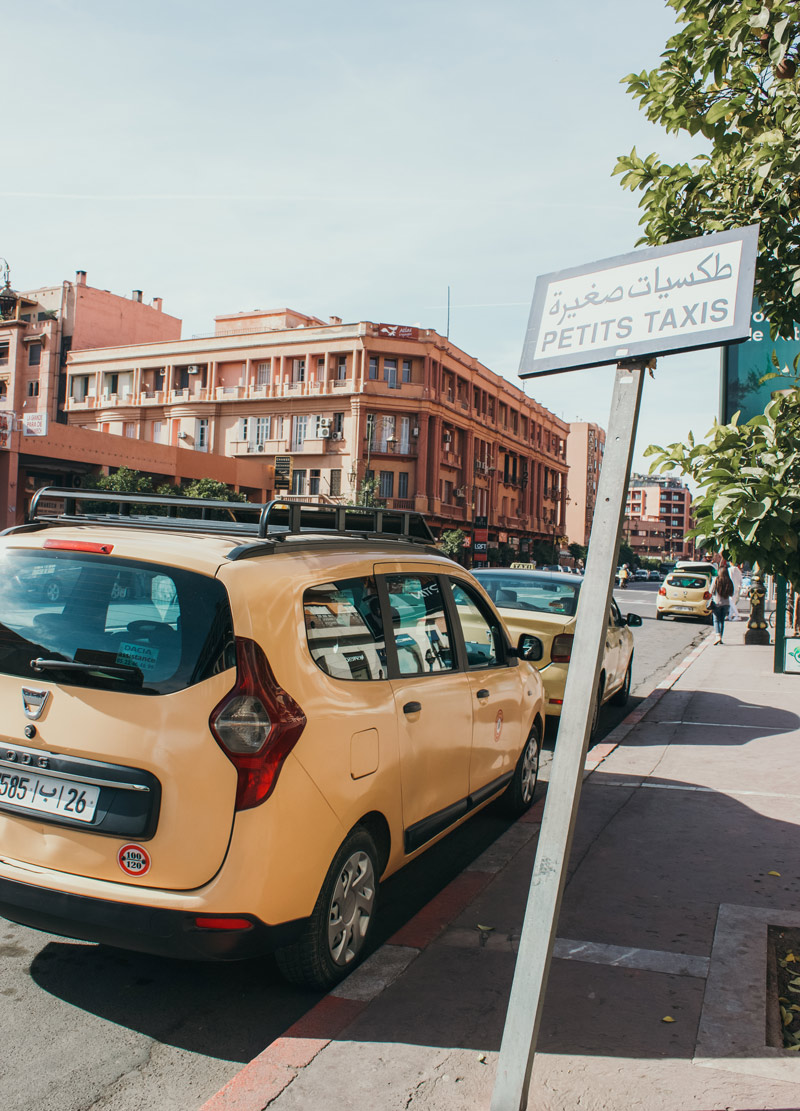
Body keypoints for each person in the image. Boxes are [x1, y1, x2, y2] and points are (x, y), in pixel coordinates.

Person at [711, 564, 735, 644]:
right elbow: (731, 594)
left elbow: (711, 591)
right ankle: (720, 638)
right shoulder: (729, 581)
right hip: (726, 604)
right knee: (722, 621)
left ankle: (717, 636)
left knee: (716, 620)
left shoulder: (716, 580)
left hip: (717, 603)